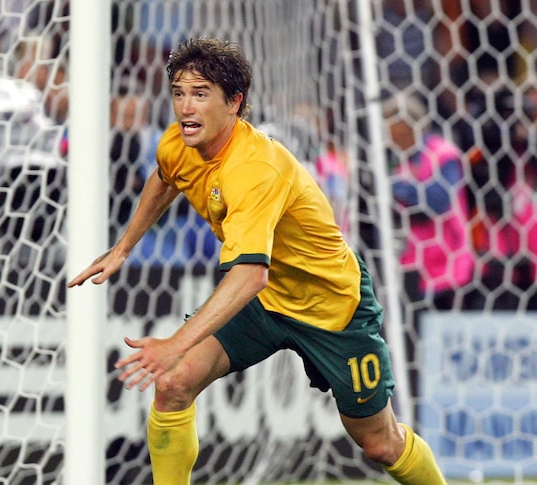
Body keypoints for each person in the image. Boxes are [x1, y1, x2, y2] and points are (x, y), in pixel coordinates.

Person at [68, 38, 446, 484]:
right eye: (179, 92)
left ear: (235, 102)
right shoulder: (181, 141)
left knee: (381, 444)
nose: (186, 107)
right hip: (265, 306)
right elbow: (165, 177)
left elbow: (249, 274)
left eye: (201, 93)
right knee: (172, 383)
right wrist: (124, 247)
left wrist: (174, 342)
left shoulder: (254, 169)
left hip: (331, 308)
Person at [383, 94, 475, 311]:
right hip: (410, 265)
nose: (397, 141)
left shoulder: (443, 154)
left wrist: (396, 187)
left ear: (419, 127)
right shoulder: (392, 158)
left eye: (402, 135)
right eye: (392, 135)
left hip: (447, 265)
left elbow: (438, 200)